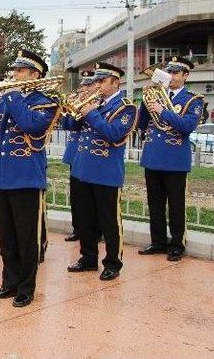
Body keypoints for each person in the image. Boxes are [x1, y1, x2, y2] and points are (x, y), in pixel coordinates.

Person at [0, 50, 59, 307]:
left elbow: (31, 125)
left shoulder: (45, 101)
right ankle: (9, 283)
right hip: (0, 175)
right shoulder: (8, 99)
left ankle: (26, 287)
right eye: (15, 70)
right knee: (6, 236)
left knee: (26, 236)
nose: (14, 75)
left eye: (20, 71)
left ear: (35, 74)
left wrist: (11, 97)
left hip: (26, 177)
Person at [66, 62, 137, 281]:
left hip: (106, 172)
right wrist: (75, 107)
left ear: (115, 83)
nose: (97, 85)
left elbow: (114, 134)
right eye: (96, 80)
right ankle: (88, 257)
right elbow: (70, 125)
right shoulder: (94, 102)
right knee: (85, 218)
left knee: (109, 220)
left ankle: (113, 263)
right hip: (83, 169)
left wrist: (91, 112)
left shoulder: (126, 107)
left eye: (102, 81)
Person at [138, 56, 204, 261]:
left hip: (175, 160)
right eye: (169, 72)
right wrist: (146, 101)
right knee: (155, 203)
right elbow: (142, 124)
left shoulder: (193, 100)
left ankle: (176, 245)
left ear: (186, 75)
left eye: (176, 72)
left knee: (176, 205)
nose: (171, 76)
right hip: (153, 156)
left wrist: (162, 110)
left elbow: (186, 127)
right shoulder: (157, 95)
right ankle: (158, 242)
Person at [62, 70, 96, 242]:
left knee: (91, 197)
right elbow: (68, 125)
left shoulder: (96, 103)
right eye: (83, 85)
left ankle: (94, 230)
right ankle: (78, 228)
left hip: (89, 154)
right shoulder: (81, 102)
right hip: (75, 153)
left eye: (88, 85)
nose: (84, 88)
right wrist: (70, 109)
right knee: (77, 196)